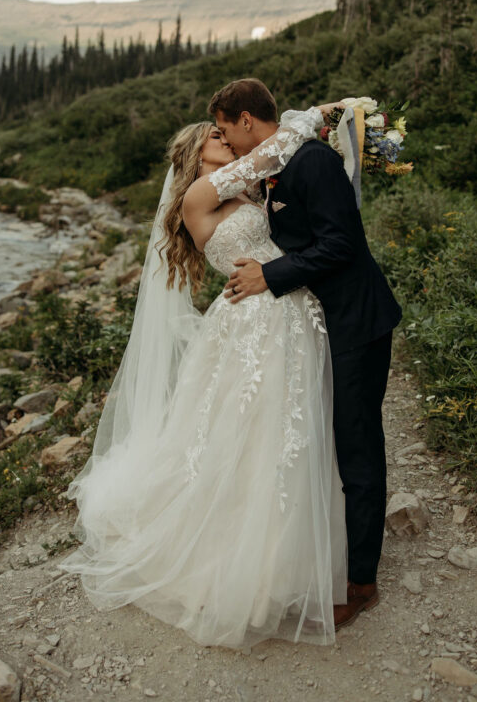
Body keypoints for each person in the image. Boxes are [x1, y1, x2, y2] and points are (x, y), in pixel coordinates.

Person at [58, 98, 351, 649]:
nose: (224, 139)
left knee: (286, 432)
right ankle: (244, 568)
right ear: (197, 156)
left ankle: (286, 560)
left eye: (223, 132)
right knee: (254, 433)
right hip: (253, 323)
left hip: (286, 308)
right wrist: (314, 116)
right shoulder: (199, 195)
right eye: (214, 137)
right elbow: (277, 147)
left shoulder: (247, 190)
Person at [211, 78, 402, 630]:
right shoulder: (277, 165)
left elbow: (342, 243)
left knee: (358, 445)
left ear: (247, 120)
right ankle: (335, 553)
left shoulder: (312, 163)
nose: (227, 140)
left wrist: (269, 276)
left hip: (357, 323)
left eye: (226, 129)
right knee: (332, 440)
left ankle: (362, 582)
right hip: (325, 322)